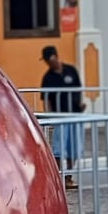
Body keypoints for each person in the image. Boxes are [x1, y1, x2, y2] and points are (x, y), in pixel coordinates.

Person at [39, 44, 84, 189]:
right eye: (46, 61)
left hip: (75, 115)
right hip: (60, 117)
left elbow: (78, 89)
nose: (48, 63)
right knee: (58, 150)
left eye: (49, 59)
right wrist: (49, 116)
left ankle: (68, 177)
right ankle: (57, 178)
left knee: (73, 149)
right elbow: (46, 98)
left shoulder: (71, 70)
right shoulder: (48, 78)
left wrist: (80, 104)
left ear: (55, 57)